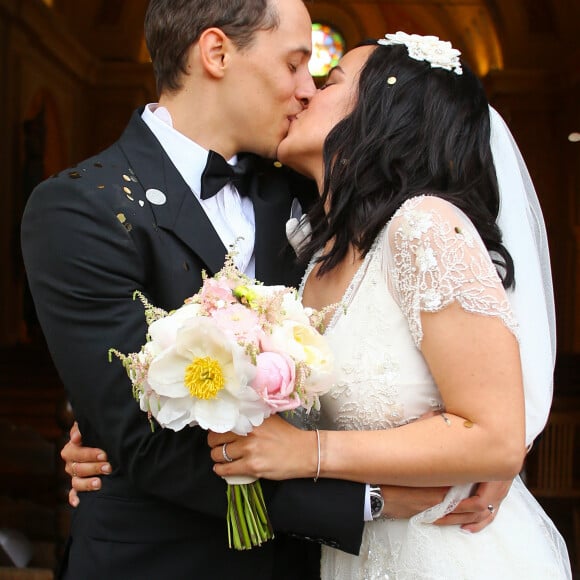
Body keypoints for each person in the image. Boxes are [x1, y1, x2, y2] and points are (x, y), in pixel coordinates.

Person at [20, 2, 505, 577]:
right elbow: (144, 442)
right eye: (296, 64)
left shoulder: (319, 193)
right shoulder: (80, 207)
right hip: (163, 561)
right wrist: (368, 502)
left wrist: (493, 449)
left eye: (319, 77)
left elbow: (466, 312)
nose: (306, 90)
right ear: (217, 53)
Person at [206, 35, 572, 578]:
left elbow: (496, 437)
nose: (304, 93)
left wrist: (309, 453)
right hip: (356, 555)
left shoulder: (424, 226)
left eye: (330, 82)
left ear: (385, 113)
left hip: (450, 554)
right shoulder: (313, 257)